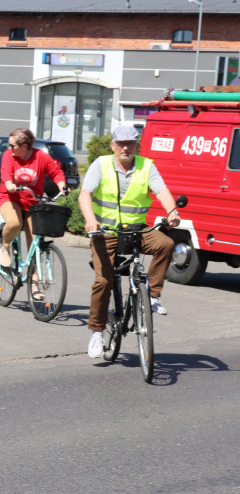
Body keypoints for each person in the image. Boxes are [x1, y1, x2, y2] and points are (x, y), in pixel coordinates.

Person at [79, 125, 179, 358]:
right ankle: (96, 333)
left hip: (138, 229)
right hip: (105, 231)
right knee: (104, 280)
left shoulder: (146, 166)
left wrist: (172, 212)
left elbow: (162, 191)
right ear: (113, 145)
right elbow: (85, 194)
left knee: (165, 244)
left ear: (136, 145)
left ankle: (152, 296)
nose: (125, 147)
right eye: (121, 143)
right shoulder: (101, 164)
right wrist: (91, 221)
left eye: (130, 143)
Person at [0, 128, 67, 299]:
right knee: (14, 223)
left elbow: (56, 171)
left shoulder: (40, 157)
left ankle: (34, 285)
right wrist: (8, 183)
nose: (10, 147)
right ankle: (4, 248)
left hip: (32, 202)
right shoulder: (9, 155)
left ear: (25, 146)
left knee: (35, 243)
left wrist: (62, 186)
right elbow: (5, 172)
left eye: (13, 145)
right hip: (10, 197)